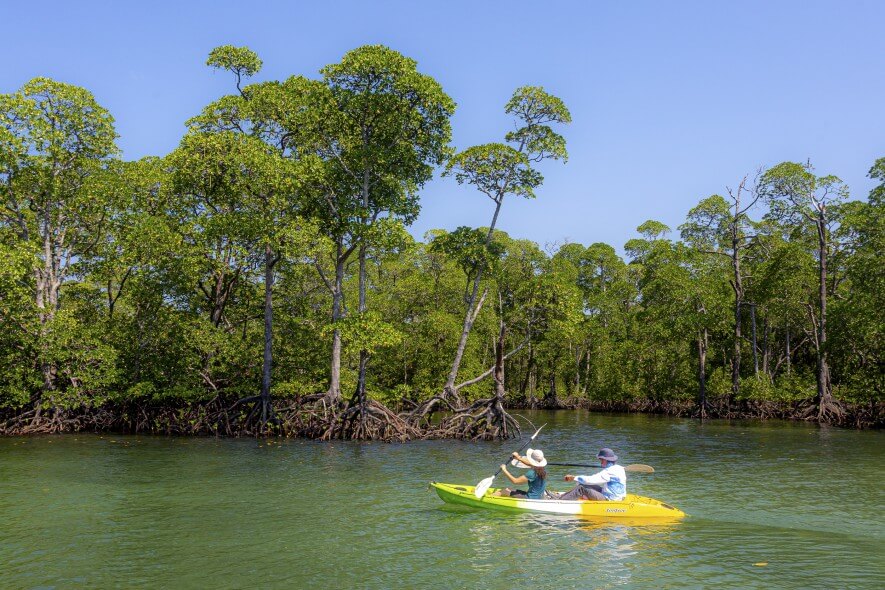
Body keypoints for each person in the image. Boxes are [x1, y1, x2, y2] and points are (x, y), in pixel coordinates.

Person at [555, 448, 626, 501]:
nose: (600, 462)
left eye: (601, 460)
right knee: (583, 484)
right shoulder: (619, 468)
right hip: (616, 496)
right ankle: (562, 496)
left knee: (581, 488)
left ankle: (560, 501)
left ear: (606, 460)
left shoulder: (609, 471)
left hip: (609, 498)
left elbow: (592, 479)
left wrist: (574, 478)